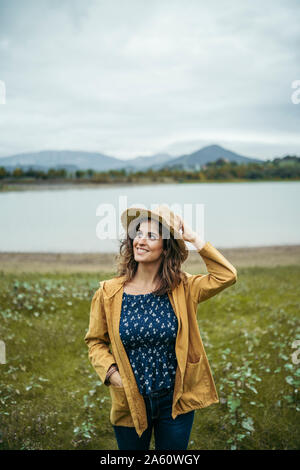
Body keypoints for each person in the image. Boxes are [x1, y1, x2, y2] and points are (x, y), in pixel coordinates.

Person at [84, 204, 237, 450]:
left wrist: (194, 238)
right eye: (138, 234)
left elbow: (226, 275)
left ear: (166, 249)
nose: (140, 241)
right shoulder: (108, 292)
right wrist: (112, 374)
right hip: (129, 400)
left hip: (174, 401)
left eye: (151, 236)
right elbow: (95, 342)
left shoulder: (183, 287)